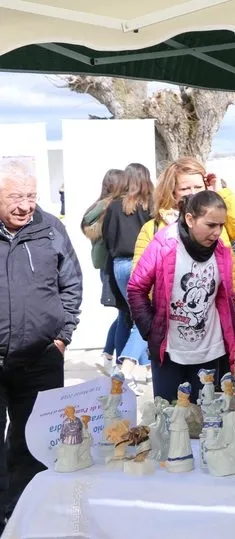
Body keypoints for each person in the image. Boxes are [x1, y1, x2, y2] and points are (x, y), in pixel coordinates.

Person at [0, 162, 82, 524]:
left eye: (30, 196)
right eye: (15, 197)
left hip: (41, 357)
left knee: (34, 441)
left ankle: (27, 514)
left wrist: (62, 337)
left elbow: (72, 284)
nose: (25, 205)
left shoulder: (50, 229)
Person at [127, 191, 235, 402]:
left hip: (209, 351)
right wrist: (151, 330)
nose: (217, 232)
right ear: (189, 219)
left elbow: (228, 298)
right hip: (170, 352)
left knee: (205, 420)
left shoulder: (222, 251)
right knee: (170, 417)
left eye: (221, 225)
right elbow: (136, 288)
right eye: (210, 225)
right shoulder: (164, 244)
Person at [133, 157, 235, 319]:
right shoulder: (155, 229)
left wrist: (221, 193)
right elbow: (139, 283)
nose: (193, 193)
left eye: (198, 187)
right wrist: (154, 322)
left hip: (224, 317)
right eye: (185, 188)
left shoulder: (218, 222)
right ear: (172, 191)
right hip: (179, 322)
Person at [103, 163, 154, 393]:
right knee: (145, 316)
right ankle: (126, 368)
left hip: (118, 265)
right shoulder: (149, 206)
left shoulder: (114, 206)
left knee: (127, 313)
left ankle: (137, 366)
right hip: (140, 263)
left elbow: (107, 238)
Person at [80, 169, 124, 374]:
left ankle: (108, 354)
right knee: (125, 314)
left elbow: (86, 225)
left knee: (124, 314)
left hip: (107, 267)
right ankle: (116, 359)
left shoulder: (97, 207)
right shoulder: (111, 207)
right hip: (112, 266)